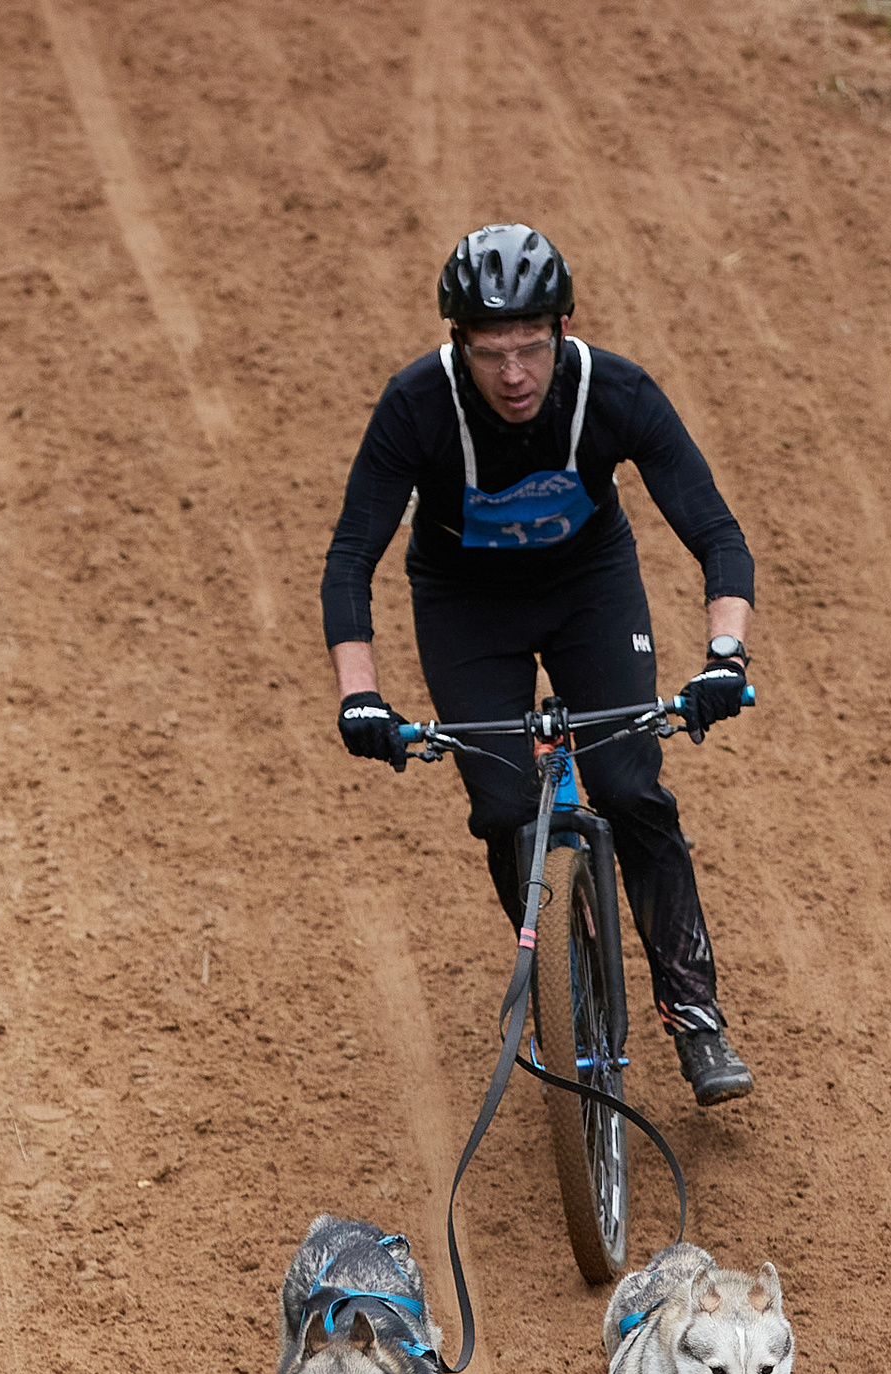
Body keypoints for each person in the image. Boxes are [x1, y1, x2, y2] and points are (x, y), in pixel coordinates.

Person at [321, 222, 759, 1105]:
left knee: (630, 785)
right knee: (502, 807)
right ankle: (564, 970)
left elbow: (716, 533)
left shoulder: (615, 391)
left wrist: (723, 654)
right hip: (464, 600)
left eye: (531, 346)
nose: (515, 374)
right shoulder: (415, 406)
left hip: (588, 586)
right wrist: (360, 697)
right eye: (491, 353)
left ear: (563, 330)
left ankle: (696, 1014)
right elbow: (349, 560)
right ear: (459, 345)